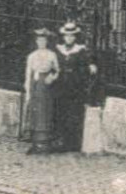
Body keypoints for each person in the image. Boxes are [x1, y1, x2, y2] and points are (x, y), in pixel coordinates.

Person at [54, 21, 93, 153]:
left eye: (71, 36)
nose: (69, 38)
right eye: (66, 35)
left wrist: (89, 67)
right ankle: (60, 140)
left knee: (74, 112)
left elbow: (85, 67)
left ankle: (73, 143)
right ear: (63, 37)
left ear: (75, 37)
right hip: (60, 84)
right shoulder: (58, 49)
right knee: (60, 111)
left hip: (75, 86)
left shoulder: (80, 50)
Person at [20, 27, 59, 155]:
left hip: (46, 86)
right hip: (35, 85)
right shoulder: (32, 56)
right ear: (36, 41)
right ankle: (35, 143)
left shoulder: (51, 54)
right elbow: (28, 73)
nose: (41, 43)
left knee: (46, 111)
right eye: (39, 40)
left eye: (44, 40)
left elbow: (57, 70)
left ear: (47, 42)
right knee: (35, 112)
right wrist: (28, 90)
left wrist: (52, 77)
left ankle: (45, 144)